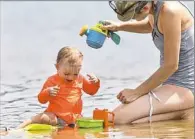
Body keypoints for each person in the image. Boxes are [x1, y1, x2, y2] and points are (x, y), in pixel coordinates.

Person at [101, 1, 194, 124]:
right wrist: (119, 26)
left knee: (114, 119)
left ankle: (185, 109)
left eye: (133, 17)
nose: (133, 19)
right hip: (171, 85)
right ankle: (184, 113)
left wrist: (136, 92)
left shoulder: (170, 11)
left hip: (186, 86)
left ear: (144, 8)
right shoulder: (154, 6)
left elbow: (171, 65)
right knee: (135, 122)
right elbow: (150, 25)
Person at [17, 46, 100, 128]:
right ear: (57, 67)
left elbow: (91, 91)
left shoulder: (80, 79)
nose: (71, 77)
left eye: (75, 74)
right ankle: (21, 126)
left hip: (75, 119)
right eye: (66, 74)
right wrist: (48, 92)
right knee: (42, 117)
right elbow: (41, 99)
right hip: (56, 118)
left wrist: (95, 83)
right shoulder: (52, 81)